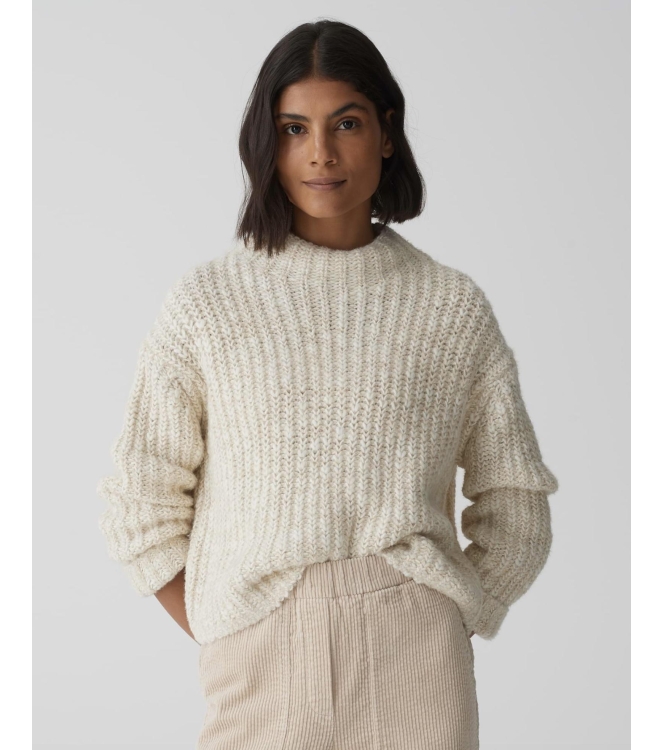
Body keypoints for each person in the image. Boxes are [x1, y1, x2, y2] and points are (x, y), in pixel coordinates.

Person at [97, 19, 559, 750]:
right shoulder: (208, 303)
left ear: (386, 132)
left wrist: (452, 611)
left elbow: (516, 502)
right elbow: (139, 501)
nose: (320, 153)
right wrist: (223, 626)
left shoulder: (449, 308)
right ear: (266, 143)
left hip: (417, 660)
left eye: (346, 123)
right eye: (293, 129)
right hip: (256, 657)